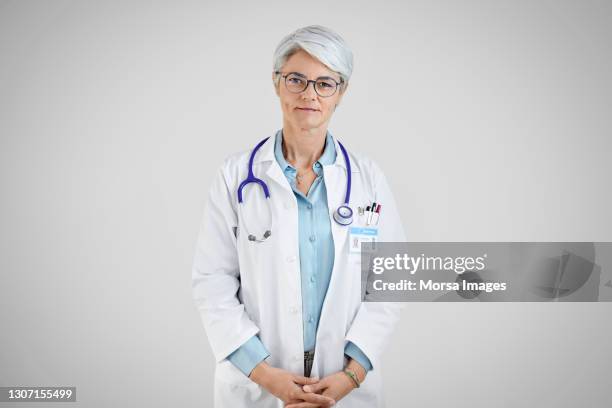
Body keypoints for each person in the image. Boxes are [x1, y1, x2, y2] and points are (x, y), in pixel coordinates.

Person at [192, 25, 406, 407]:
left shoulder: (368, 179)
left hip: (343, 385)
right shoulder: (235, 176)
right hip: (259, 384)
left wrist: (351, 375)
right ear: (277, 83)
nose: (310, 93)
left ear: (340, 93)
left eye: (325, 83)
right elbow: (213, 281)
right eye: (297, 79)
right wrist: (264, 375)